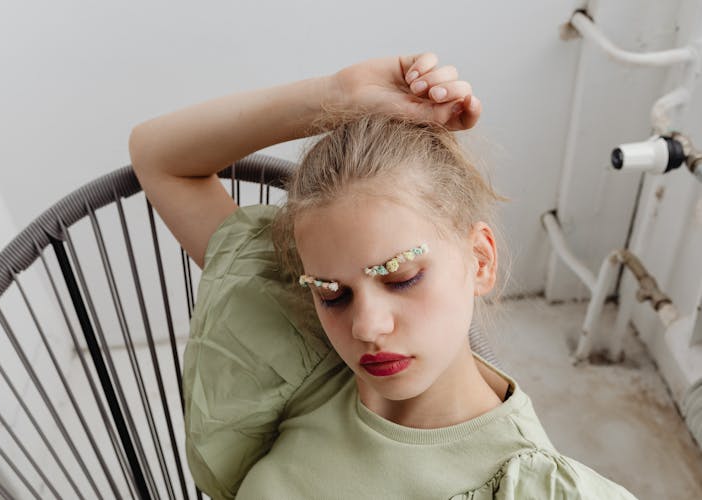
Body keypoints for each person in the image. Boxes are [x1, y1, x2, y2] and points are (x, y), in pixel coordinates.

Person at [129, 53, 637, 499]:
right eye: (332, 292)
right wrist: (337, 93)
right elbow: (158, 157)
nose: (366, 327)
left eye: (401, 278)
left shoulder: (527, 487)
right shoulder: (305, 353)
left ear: (480, 259)